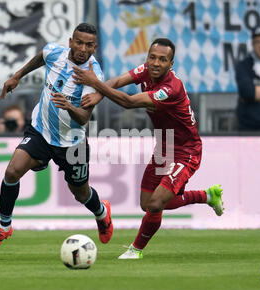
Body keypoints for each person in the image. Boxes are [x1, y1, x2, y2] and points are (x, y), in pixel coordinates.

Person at [73, 38, 224, 259]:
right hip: (165, 143)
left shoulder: (170, 89)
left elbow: (129, 102)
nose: (155, 63)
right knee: (147, 203)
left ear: (171, 64)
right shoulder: (146, 70)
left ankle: (136, 250)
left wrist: (95, 84)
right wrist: (99, 94)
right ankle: (206, 195)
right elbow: (117, 81)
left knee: (155, 203)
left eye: (162, 60)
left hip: (186, 150)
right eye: (152, 57)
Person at [0, 23, 113, 253]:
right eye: (79, 42)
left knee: (81, 193)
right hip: (41, 132)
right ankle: (4, 227)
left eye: (89, 45)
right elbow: (41, 57)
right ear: (71, 41)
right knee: (12, 171)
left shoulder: (93, 77)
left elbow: (83, 118)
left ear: (95, 47)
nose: (83, 48)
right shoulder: (55, 52)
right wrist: (17, 75)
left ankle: (102, 213)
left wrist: (68, 106)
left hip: (73, 143)